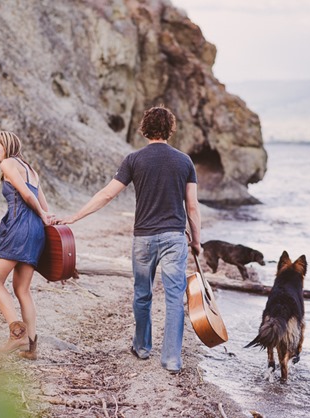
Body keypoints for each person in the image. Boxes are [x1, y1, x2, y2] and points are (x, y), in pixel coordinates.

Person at [58, 106, 202, 374]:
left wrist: (76, 216)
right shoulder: (185, 161)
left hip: (144, 239)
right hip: (174, 237)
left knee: (142, 293)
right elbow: (192, 207)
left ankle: (143, 347)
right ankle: (171, 360)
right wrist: (196, 240)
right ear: (170, 129)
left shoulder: (134, 160)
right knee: (173, 298)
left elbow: (106, 195)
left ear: (145, 128)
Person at [0, 131, 54, 360]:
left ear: (7, 145)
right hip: (35, 232)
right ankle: (30, 348)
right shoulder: (31, 169)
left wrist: (43, 216)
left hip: (19, 227)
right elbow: (43, 204)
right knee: (22, 290)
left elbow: (26, 196)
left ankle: (17, 335)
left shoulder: (7, 164)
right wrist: (45, 219)